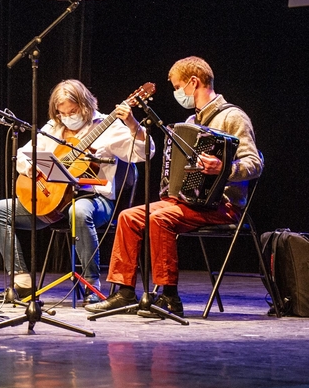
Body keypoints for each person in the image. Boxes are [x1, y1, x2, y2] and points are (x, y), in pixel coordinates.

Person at [85, 56, 263, 318]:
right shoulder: (190, 123)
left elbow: (254, 163)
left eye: (178, 87)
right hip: (186, 202)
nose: (177, 93)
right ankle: (123, 292)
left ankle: (169, 297)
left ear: (194, 82)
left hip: (222, 204)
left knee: (159, 218)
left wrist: (224, 169)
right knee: (128, 216)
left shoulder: (233, 116)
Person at [0, 79, 152, 301]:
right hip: (54, 200)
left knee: (79, 212)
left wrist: (133, 125)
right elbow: (23, 156)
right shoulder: (53, 127)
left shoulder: (108, 126)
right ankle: (22, 281)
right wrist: (32, 168)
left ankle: (91, 284)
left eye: (72, 111)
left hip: (95, 200)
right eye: (62, 112)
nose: (67, 117)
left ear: (85, 105)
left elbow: (144, 153)